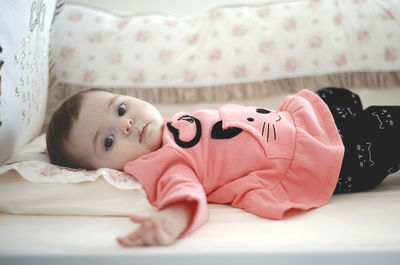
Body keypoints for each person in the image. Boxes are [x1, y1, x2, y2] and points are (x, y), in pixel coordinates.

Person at [46, 87, 400, 247]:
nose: (124, 124)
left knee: (339, 97)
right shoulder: (163, 164)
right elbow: (184, 193)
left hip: (298, 122)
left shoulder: (168, 125)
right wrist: (170, 220)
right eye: (107, 142)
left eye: (120, 108)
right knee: (388, 130)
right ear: (102, 169)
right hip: (321, 159)